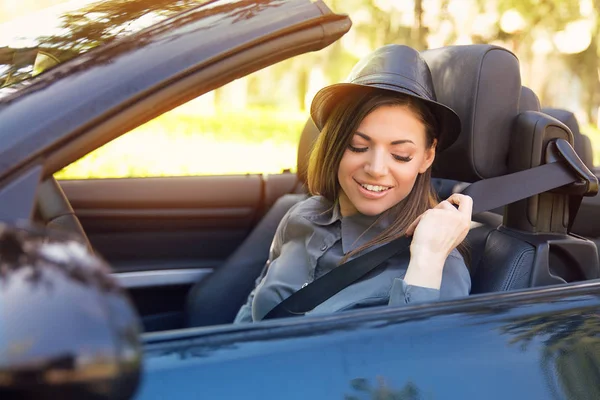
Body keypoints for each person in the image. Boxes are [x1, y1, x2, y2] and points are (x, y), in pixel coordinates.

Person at [235, 44, 471, 323]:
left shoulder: (441, 264)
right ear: (335, 145)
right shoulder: (302, 216)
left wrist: (426, 261)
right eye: (357, 146)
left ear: (426, 156)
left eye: (400, 155)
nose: (376, 169)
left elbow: (412, 361)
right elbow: (252, 308)